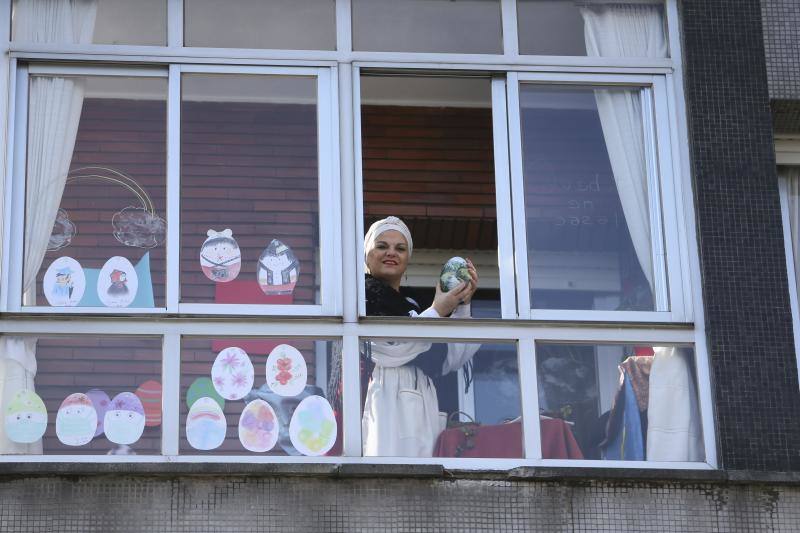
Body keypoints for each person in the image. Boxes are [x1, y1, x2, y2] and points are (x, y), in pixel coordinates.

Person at [362, 216, 479, 457]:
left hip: (422, 409)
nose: (391, 253)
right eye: (382, 246)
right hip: (382, 406)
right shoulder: (359, 298)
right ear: (367, 255)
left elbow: (451, 359)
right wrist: (438, 310)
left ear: (407, 259)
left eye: (400, 248)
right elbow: (390, 348)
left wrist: (461, 306)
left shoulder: (415, 305)